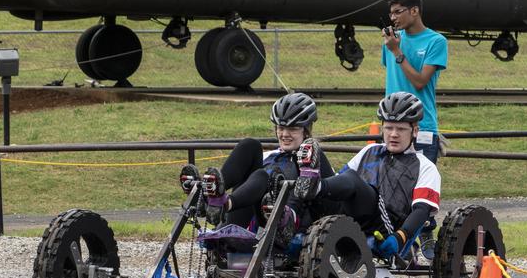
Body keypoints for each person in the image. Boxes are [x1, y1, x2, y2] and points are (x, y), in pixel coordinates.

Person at [295, 92, 440, 260]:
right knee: (316, 159)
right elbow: (341, 183)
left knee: (352, 179)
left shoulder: (425, 166)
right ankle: (291, 221)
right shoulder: (370, 151)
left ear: (415, 131)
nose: (393, 134)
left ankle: (316, 187)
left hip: (384, 227)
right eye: (388, 128)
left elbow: (421, 211)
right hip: (351, 216)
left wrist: (400, 237)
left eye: (400, 129)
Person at [180, 92, 334, 234]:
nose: (284, 134)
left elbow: (330, 201)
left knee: (262, 176)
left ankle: (224, 203)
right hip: (243, 218)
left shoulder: (315, 159)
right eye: (281, 128)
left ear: (306, 130)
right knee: (250, 145)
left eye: (292, 129)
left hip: (281, 226)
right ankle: (208, 197)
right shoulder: (271, 156)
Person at [381, 0, 447, 162]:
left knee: (419, 184)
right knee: (388, 185)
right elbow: (394, 75)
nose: (393, 18)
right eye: (391, 13)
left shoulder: (436, 41)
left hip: (422, 127)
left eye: (397, 12)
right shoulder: (391, 41)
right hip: (392, 125)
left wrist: (396, 51)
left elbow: (420, 82)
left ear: (414, 11)